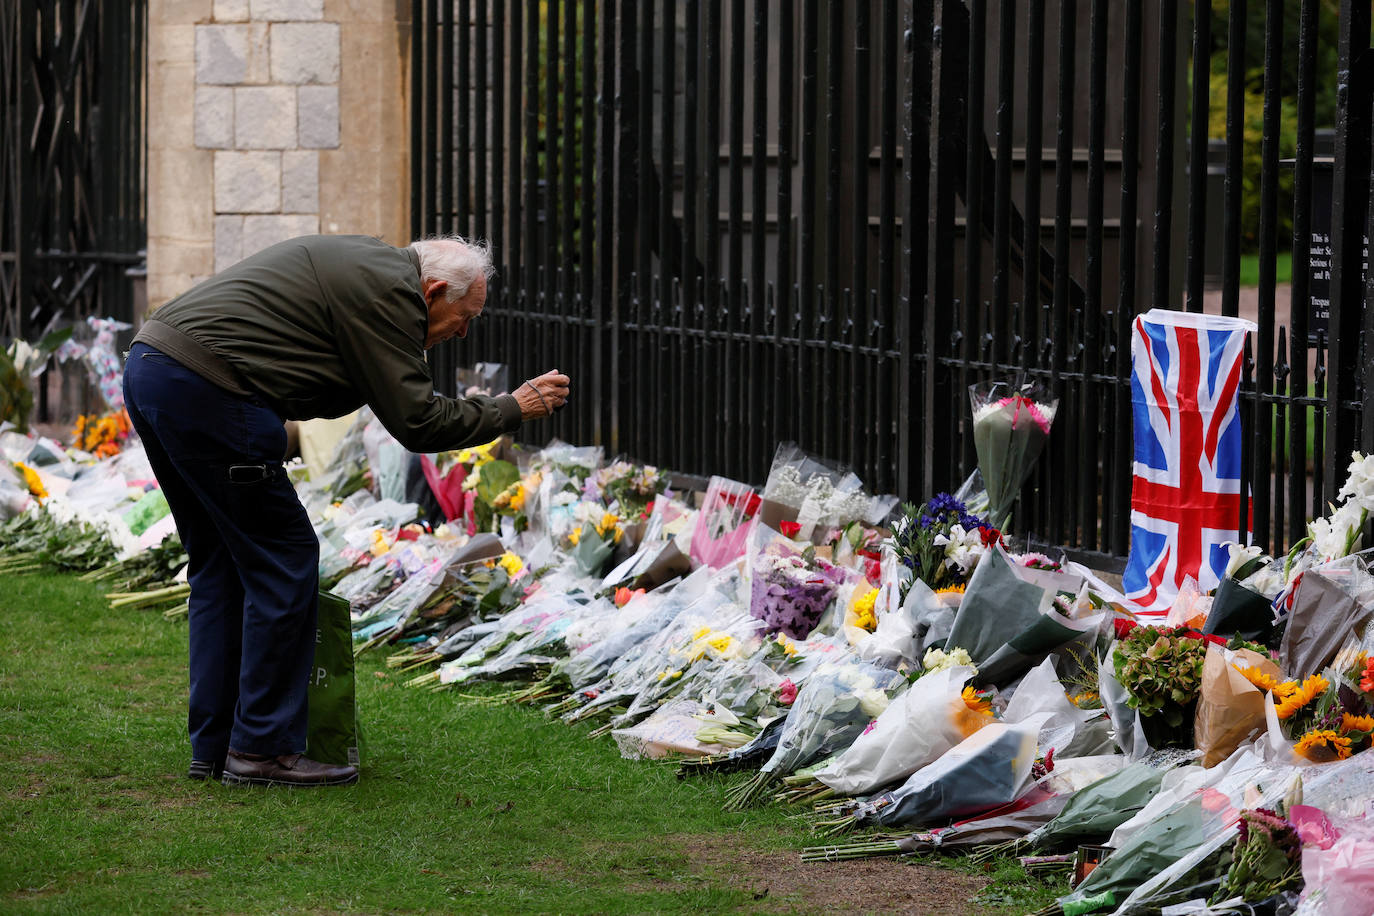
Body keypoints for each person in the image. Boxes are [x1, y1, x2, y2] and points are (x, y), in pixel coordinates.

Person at [122, 233, 570, 787]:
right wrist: (510, 407)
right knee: (283, 558)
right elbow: (419, 423)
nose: (463, 332)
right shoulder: (391, 295)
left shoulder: (372, 269)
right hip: (211, 389)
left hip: (155, 367)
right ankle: (260, 748)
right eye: (464, 317)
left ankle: (216, 746)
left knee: (221, 563)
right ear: (433, 291)